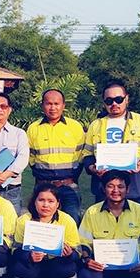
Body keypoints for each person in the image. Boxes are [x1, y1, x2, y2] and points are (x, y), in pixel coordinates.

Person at [82, 82, 140, 206]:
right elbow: (87, 154)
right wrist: (93, 168)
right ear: (104, 102)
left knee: (137, 225)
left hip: (134, 187)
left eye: (119, 99)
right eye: (109, 101)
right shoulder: (95, 125)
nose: (114, 104)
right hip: (104, 189)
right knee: (103, 224)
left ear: (126, 99)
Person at [10, 183, 82, 278]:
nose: (45, 205)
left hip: (57, 263)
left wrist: (69, 254)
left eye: (51, 201)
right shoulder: (24, 220)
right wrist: (29, 256)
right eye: (41, 200)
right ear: (34, 201)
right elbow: (15, 250)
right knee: (21, 268)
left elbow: (78, 252)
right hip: (33, 263)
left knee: (67, 269)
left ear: (58, 203)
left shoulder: (67, 220)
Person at [26, 89, 86, 224]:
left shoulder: (74, 127)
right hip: (42, 187)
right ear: (42, 106)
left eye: (56, 103)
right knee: (41, 225)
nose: (53, 107)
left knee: (71, 223)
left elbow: (81, 155)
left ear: (63, 105)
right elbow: (30, 158)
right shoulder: (33, 128)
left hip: (69, 187)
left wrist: (71, 176)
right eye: (48, 104)